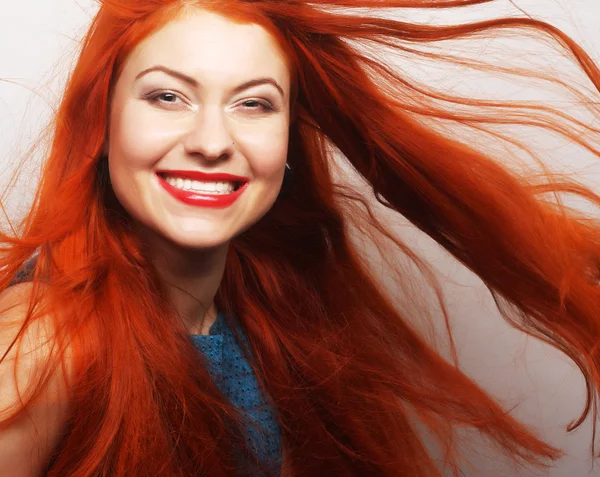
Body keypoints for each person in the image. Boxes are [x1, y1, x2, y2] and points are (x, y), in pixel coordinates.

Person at [1, 0, 600, 476]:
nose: (212, 140)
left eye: (255, 104)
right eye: (167, 96)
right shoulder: (40, 346)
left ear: (288, 140)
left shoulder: (258, 309)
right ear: (100, 120)